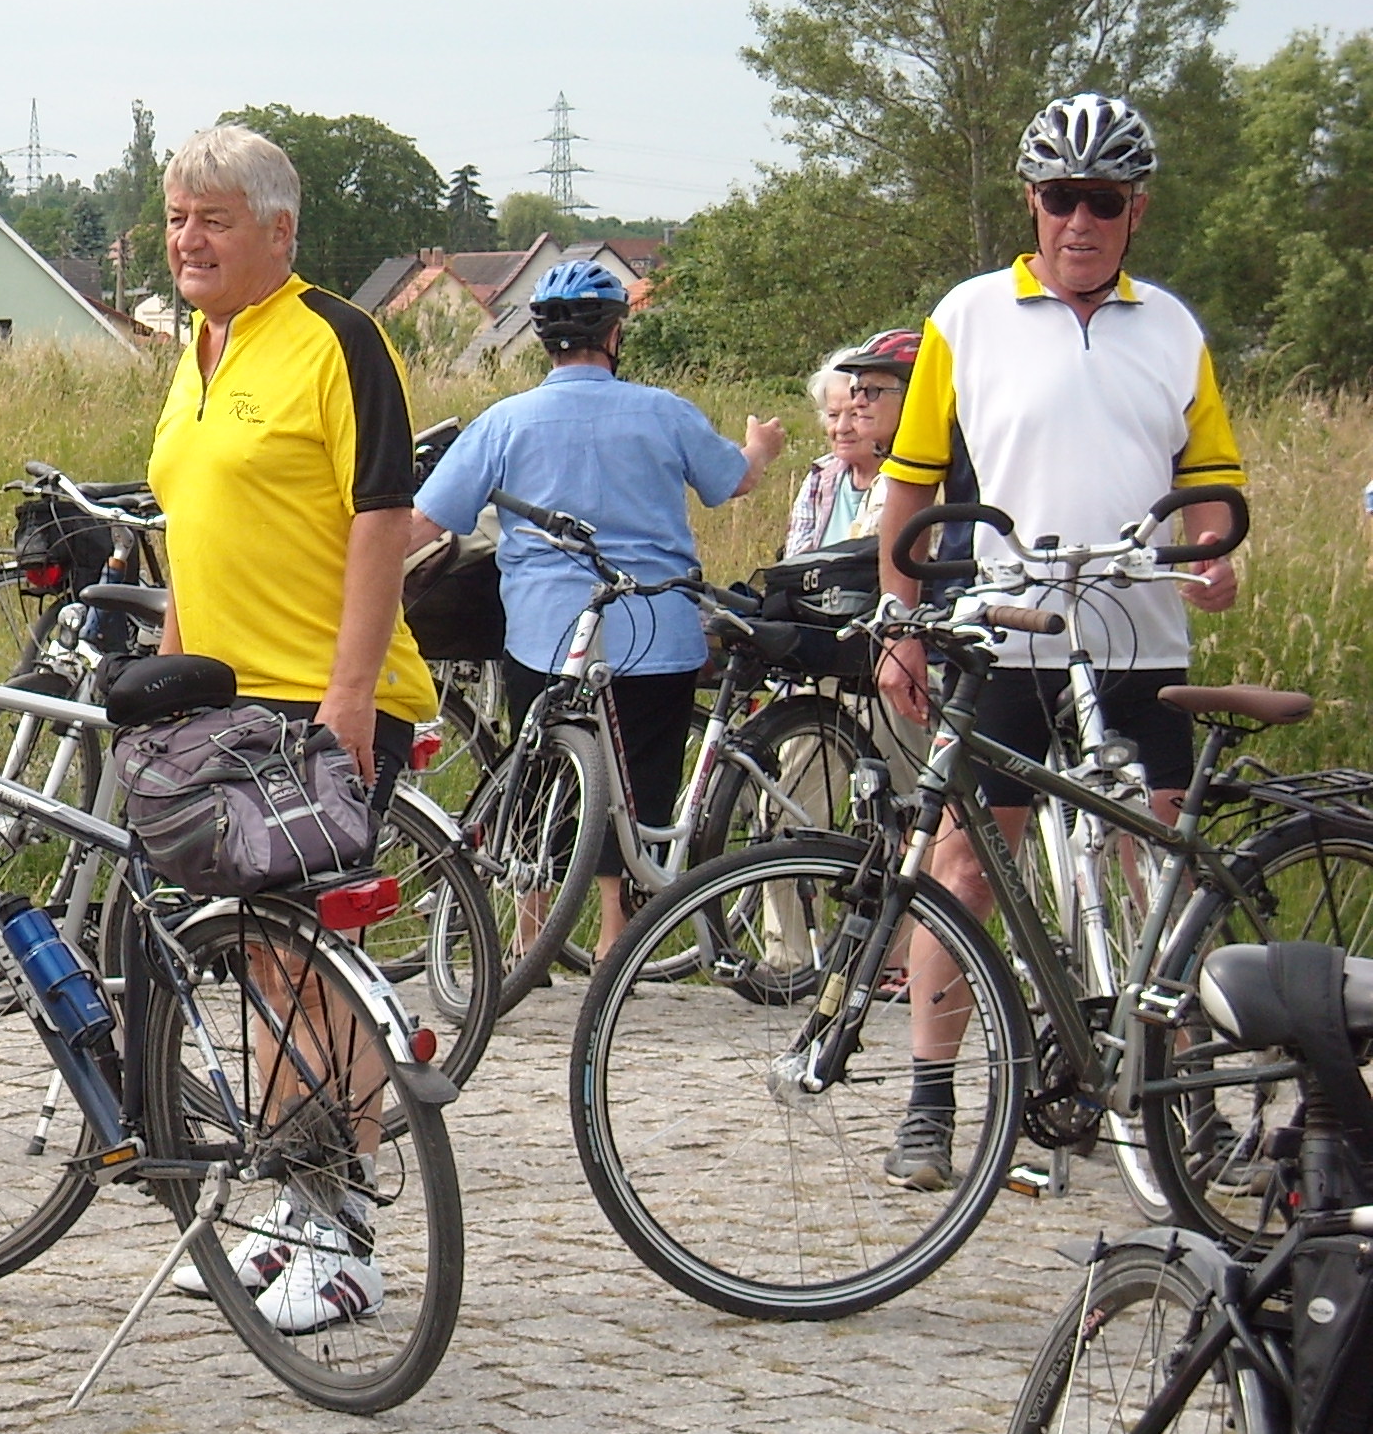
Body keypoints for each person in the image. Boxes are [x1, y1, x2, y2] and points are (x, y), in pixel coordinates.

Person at [872, 91, 1244, 1190]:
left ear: (1136, 211)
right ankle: (931, 1100)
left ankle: (1190, 1104)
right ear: (1032, 203)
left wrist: (1212, 555)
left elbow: (1209, 479)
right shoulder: (969, 316)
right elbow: (911, 483)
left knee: (1159, 867)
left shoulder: (1172, 327)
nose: (1080, 221)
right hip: (1009, 634)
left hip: (1141, 636)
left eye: (1104, 202)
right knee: (963, 866)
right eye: (1061, 199)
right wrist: (901, 624)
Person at [147, 124, 441, 1337]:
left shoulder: (336, 336)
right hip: (226, 707)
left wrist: (351, 697)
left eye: (214, 219)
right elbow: (191, 527)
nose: (189, 240)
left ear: (279, 230)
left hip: (320, 701)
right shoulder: (197, 348)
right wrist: (168, 681)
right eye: (177, 218)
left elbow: (383, 517)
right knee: (262, 966)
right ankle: (288, 1209)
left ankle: (345, 1234)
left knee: (312, 968)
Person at [414, 260, 784, 948]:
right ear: (616, 334)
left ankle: (529, 935)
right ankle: (618, 938)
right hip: (657, 632)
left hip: (548, 636)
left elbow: (427, 521)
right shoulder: (664, 412)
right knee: (641, 783)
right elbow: (733, 482)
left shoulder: (504, 422)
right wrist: (759, 447)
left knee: (539, 775)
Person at [781, 330, 919, 556]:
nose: (842, 428)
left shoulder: (915, 477)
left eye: (872, 392)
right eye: (833, 415)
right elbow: (795, 562)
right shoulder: (821, 476)